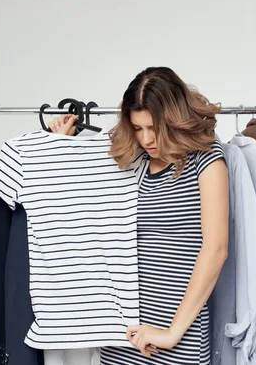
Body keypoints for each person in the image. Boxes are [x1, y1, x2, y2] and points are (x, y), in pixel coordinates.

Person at [49, 66, 229, 364]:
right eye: (137, 128)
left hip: (175, 335)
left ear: (174, 118)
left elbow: (216, 249)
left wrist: (172, 332)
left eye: (154, 127)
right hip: (124, 334)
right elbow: (77, 208)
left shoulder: (207, 161)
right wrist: (63, 146)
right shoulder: (132, 161)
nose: (147, 138)